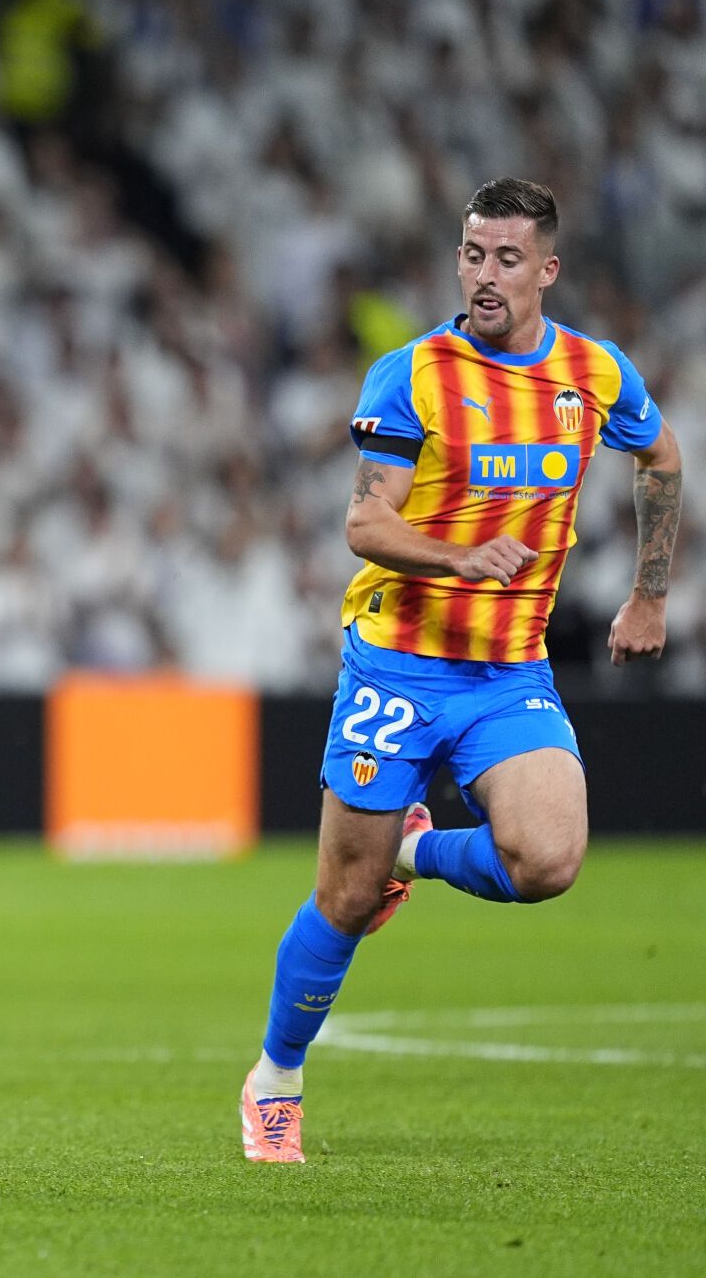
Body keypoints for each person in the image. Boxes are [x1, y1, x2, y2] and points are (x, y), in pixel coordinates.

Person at [240, 179, 683, 1163]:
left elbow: (659, 456)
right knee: (342, 898)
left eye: (505, 259)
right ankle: (275, 1075)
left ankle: (414, 851)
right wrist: (453, 556)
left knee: (548, 860)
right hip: (394, 667)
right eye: (471, 255)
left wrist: (648, 593)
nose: (483, 275)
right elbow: (362, 520)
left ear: (545, 269)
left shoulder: (592, 373)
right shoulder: (409, 375)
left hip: (504, 674)